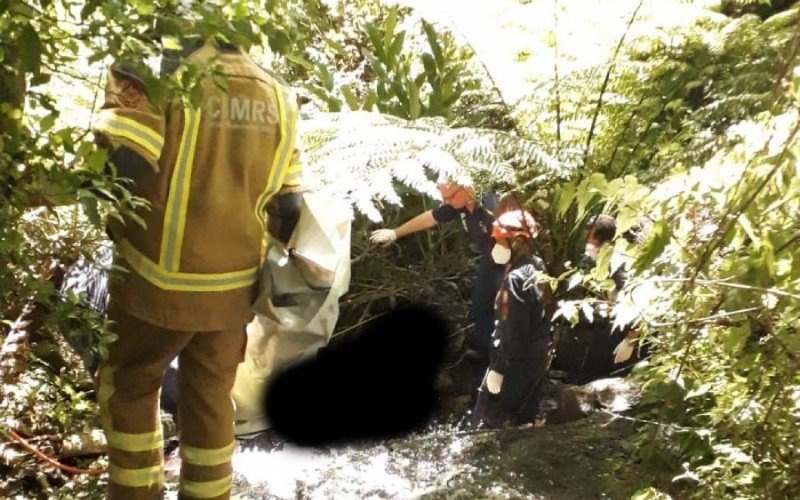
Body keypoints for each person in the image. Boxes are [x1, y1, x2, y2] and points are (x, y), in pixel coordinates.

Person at [92, 36, 304, 499]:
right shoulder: (278, 94)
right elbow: (289, 209)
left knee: (128, 388)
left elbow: (126, 165)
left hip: (156, 282)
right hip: (232, 294)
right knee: (210, 407)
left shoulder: (148, 67)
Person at [369, 176, 504, 359]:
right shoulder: (459, 205)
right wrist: (394, 233)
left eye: (449, 197)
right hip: (490, 261)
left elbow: (515, 231)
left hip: (509, 262)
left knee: (506, 308)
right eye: (444, 198)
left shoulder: (490, 203)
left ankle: (506, 360)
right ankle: (487, 353)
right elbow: (430, 218)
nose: (445, 202)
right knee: (480, 305)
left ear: (466, 188)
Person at [473, 210, 552, 428]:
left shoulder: (516, 280)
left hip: (516, 364)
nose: (496, 246)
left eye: (500, 241)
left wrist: (499, 367)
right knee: (523, 420)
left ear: (516, 242)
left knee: (490, 423)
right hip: (535, 358)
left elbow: (514, 329)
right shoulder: (537, 266)